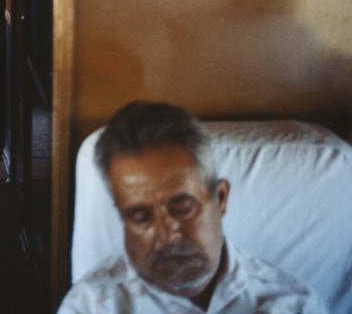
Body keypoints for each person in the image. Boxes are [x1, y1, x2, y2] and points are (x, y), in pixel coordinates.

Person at [58, 101, 328, 314]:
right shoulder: (89, 306)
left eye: (182, 207)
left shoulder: (294, 305)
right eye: (141, 216)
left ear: (220, 198)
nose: (167, 234)